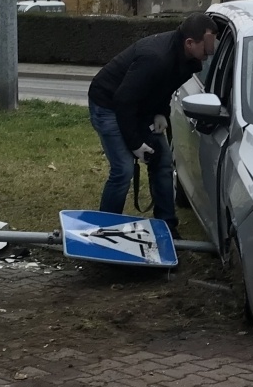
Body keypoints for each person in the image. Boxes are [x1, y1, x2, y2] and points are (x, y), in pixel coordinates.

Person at [86, 12, 216, 237]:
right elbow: (123, 101)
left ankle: (167, 226)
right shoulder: (156, 58)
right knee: (123, 169)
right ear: (189, 43)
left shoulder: (188, 59)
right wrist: (136, 144)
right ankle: (106, 229)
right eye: (206, 47)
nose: (209, 53)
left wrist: (161, 113)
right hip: (108, 104)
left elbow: (162, 86)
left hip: (139, 105)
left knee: (163, 162)